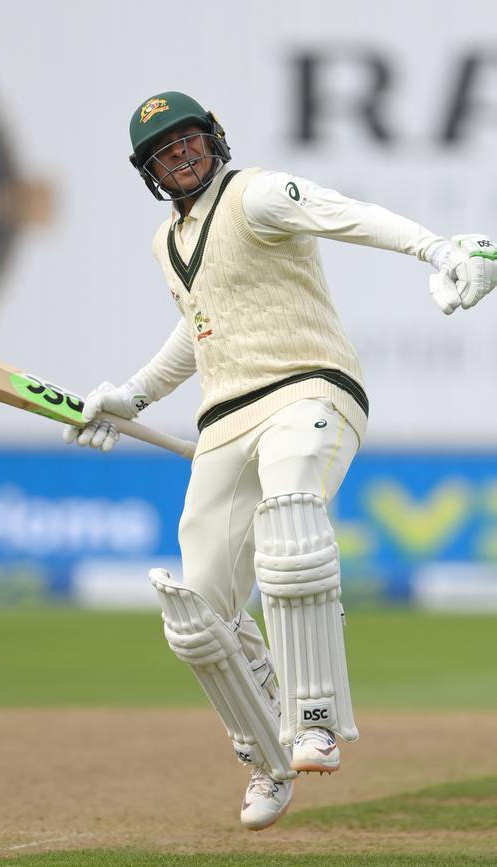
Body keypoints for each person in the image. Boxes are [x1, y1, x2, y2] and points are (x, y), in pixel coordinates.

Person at [62, 91, 497, 831]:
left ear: (214, 139)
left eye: (191, 141)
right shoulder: (167, 241)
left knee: (289, 523)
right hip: (224, 416)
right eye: (167, 154)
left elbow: (346, 211)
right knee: (199, 616)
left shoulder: (257, 195)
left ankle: (316, 715)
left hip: (311, 383)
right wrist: (131, 394)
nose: (184, 157)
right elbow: (200, 328)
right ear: (151, 174)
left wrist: (441, 247)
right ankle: (267, 753)